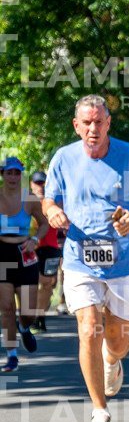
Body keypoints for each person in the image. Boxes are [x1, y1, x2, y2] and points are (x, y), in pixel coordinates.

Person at [41, 95, 129, 422]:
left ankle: (112, 360)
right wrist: (52, 211)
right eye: (87, 123)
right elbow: (49, 198)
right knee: (88, 328)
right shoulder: (63, 159)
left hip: (126, 259)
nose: (93, 129)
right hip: (80, 258)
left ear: (108, 122)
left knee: (116, 339)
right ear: (76, 126)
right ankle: (100, 412)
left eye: (99, 122)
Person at [0, 156, 47, 373]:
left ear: (21, 175)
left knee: (28, 311)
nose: (12, 176)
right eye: (8, 172)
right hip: (2, 254)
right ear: (3, 174)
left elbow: (44, 224)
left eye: (16, 172)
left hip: (24, 254)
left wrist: (35, 239)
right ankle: (11, 355)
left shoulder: (29, 199)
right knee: (7, 307)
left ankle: (25, 326)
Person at [29, 170, 64, 331]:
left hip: (51, 248)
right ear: (31, 184)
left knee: (48, 284)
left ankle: (39, 316)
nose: (40, 187)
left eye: (43, 183)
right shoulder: (26, 202)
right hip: (30, 249)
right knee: (32, 283)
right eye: (37, 183)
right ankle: (31, 316)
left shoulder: (54, 201)